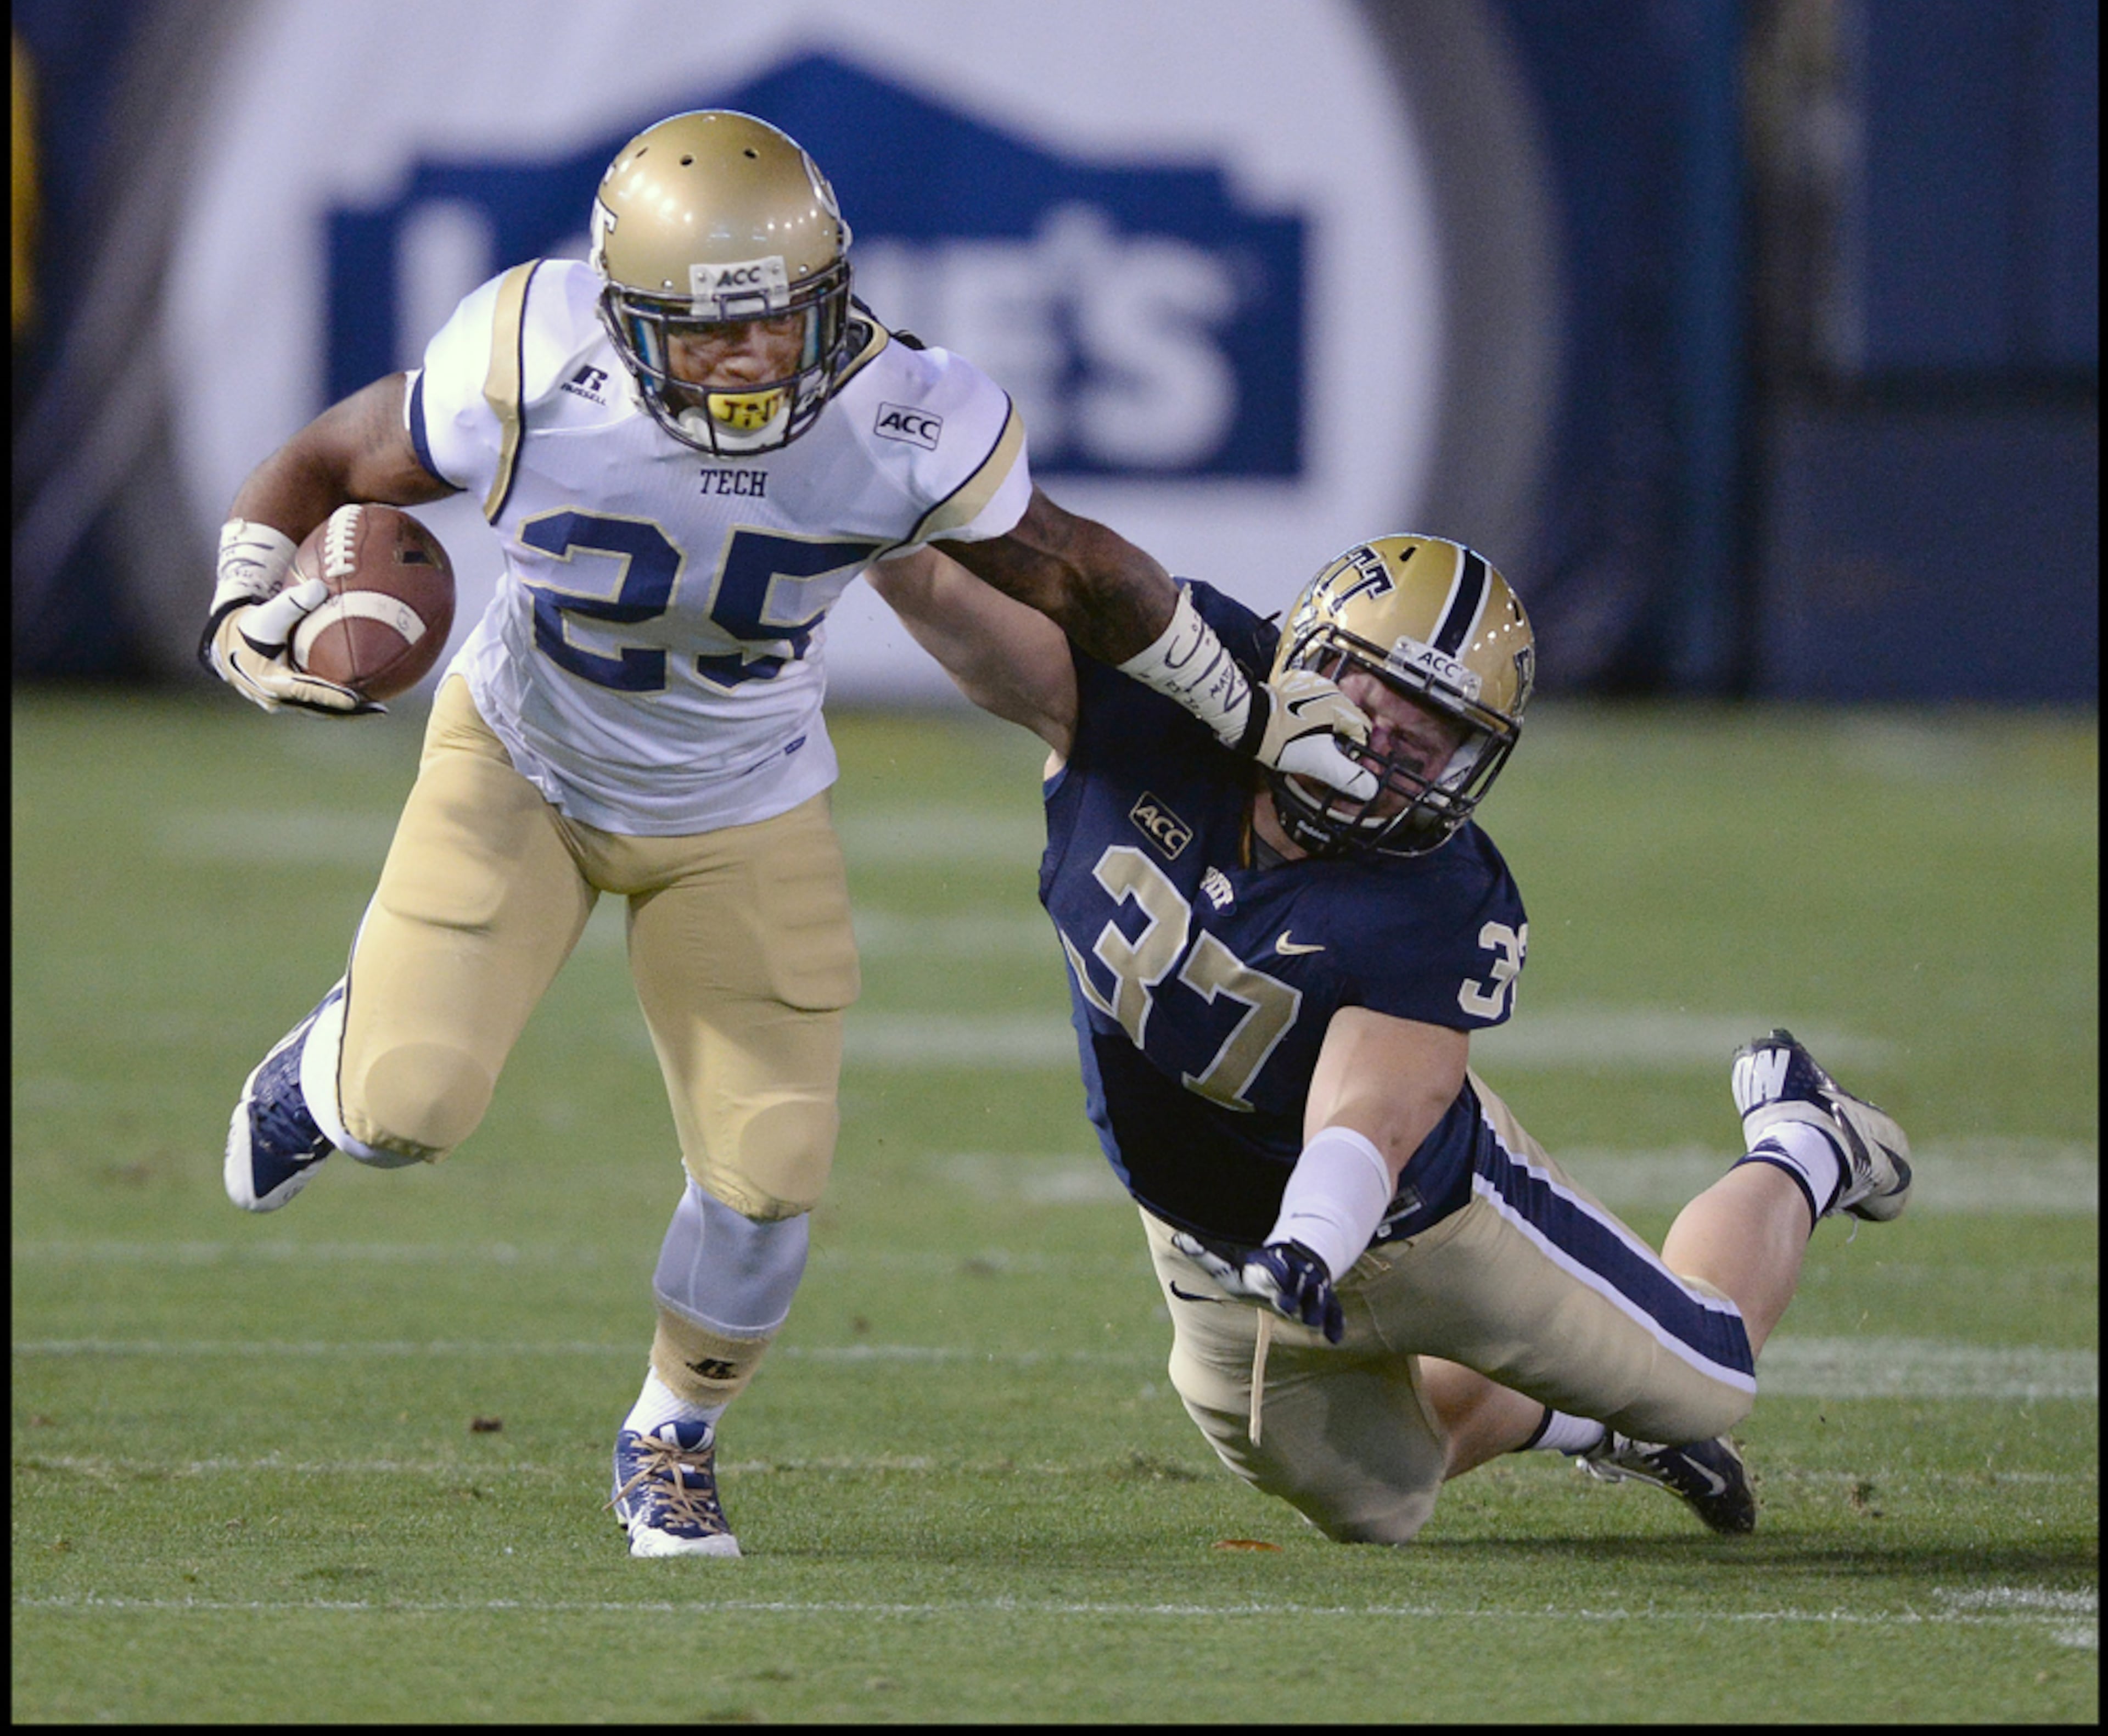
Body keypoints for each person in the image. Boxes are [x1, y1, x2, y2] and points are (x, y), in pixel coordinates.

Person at [197, 110, 1377, 1560]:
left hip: (743, 797)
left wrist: (1243, 701)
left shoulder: (903, 415)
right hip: (523, 763)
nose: (758, 359)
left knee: (770, 1172)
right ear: (627, 320)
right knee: (403, 1108)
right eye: (713, 332)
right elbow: (328, 458)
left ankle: (672, 1433)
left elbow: (1075, 570)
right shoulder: (525, 360)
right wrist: (242, 601)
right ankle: (328, 1060)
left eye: (785, 320)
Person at [865, 533, 1914, 1542]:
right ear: (1300, 654)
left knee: (1710, 1380)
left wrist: (1308, 1243)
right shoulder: (1167, 684)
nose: (1385, 749)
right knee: (1376, 1504)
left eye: (1433, 737)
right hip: (1208, 1234)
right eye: (1373, 696)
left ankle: (1803, 1143)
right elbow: (949, 593)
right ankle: (1587, 1426)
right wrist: (864, 511)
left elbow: (1368, 1113)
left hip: (1427, 1221)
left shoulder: (1438, 892)